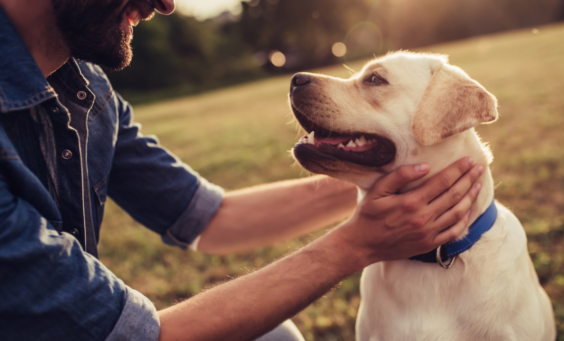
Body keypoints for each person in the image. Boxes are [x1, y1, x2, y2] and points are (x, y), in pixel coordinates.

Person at [0, 0, 483, 340]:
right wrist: (356, 243)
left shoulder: (87, 91)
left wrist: (404, 174)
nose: (166, 4)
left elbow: (213, 217)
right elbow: (136, 337)